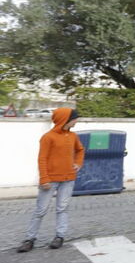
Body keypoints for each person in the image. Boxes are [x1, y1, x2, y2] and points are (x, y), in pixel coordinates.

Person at [17, 108, 84, 252]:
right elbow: (42, 159)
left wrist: (78, 163)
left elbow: (80, 150)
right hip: (50, 180)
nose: (76, 121)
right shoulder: (48, 137)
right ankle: (29, 239)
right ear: (65, 120)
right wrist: (44, 179)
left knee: (62, 208)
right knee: (40, 210)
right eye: (74, 118)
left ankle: (60, 236)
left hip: (68, 179)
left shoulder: (73, 136)